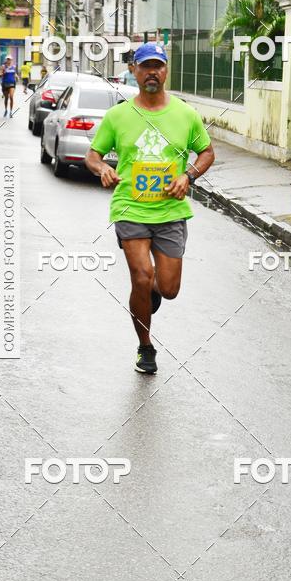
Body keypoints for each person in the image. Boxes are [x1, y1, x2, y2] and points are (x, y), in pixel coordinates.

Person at [86, 42, 215, 374]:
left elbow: (206, 153)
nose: (152, 72)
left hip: (171, 211)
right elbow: (93, 155)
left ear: (166, 70)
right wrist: (103, 169)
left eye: (158, 66)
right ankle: (145, 347)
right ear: (134, 71)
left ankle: (153, 290)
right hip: (130, 207)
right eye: (145, 67)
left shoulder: (185, 114)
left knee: (168, 290)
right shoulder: (118, 115)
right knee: (141, 277)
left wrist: (188, 176)